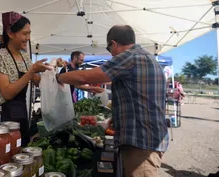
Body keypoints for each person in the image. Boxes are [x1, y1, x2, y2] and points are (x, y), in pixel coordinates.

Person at [56, 25, 169, 177]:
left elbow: (85, 77)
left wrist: (57, 78)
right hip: (147, 140)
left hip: (141, 143)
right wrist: (117, 119)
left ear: (114, 44)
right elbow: (139, 97)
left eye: (110, 50)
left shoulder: (130, 57)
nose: (111, 55)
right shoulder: (146, 57)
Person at [0, 11, 52, 146]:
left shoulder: (24, 57)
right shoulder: (0, 57)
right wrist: (31, 72)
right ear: (11, 33)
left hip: (22, 116)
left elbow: (38, 81)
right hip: (4, 119)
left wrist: (51, 69)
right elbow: (7, 93)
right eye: (24, 33)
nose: (28, 38)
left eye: (29, 33)